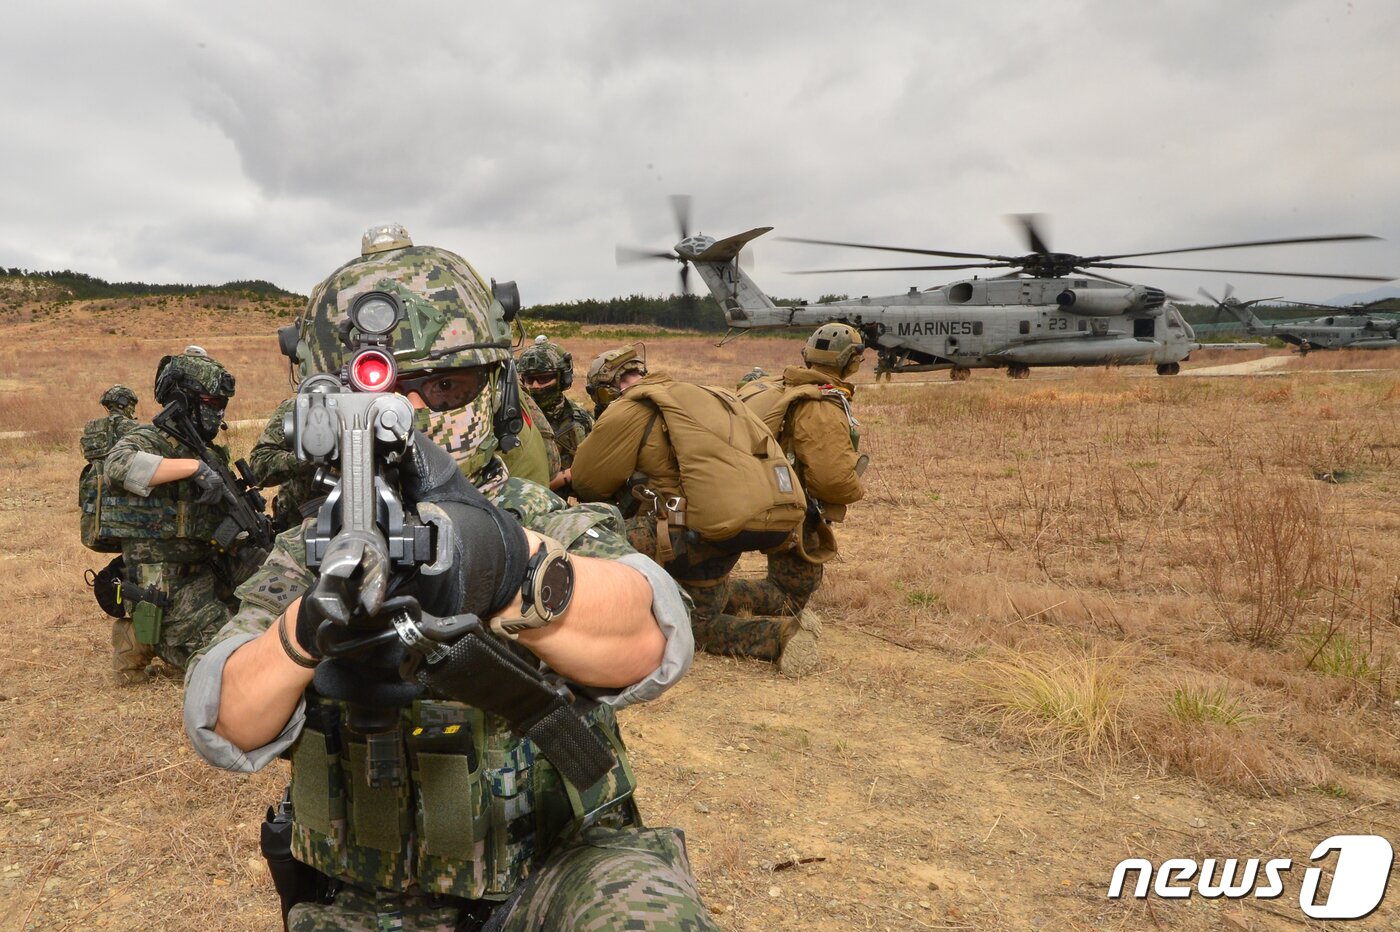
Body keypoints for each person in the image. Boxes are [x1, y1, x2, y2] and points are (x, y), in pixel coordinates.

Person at [183, 241, 715, 931]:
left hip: (563, 864)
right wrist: (307, 629)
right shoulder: (308, 547)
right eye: (378, 392)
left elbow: (652, 640)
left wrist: (500, 564)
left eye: (443, 388)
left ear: (494, 386)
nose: (407, 415)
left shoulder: (539, 516)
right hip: (370, 902)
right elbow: (220, 720)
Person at [572, 346, 817, 676]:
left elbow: (589, 484)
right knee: (701, 625)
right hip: (726, 532)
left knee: (581, 540)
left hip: (678, 536)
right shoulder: (699, 395)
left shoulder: (630, 407)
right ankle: (783, 635)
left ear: (606, 388)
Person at [103, 348, 253, 678]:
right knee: (234, 661)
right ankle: (141, 635)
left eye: (221, 405)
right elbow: (116, 465)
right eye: (211, 403)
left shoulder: (206, 450)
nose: (217, 412)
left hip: (206, 568)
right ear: (184, 400)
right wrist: (192, 468)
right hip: (166, 582)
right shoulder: (152, 439)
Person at [728, 324, 868, 642]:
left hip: (752, 492)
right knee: (789, 598)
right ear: (850, 361)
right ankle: (707, 596)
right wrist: (855, 488)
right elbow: (833, 481)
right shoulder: (820, 404)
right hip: (787, 505)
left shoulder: (781, 385)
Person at [518, 335, 593, 494]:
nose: (536, 386)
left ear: (563, 378)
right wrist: (572, 473)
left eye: (544, 378)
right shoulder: (516, 421)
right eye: (529, 379)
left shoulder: (580, 419)